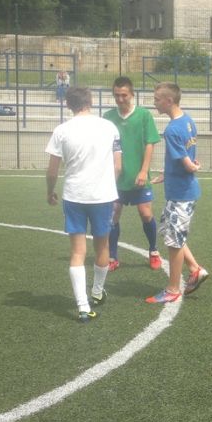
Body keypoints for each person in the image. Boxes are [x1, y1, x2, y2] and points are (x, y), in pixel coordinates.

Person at [45, 87, 122, 322]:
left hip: (74, 196)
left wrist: (50, 192)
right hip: (102, 197)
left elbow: (52, 171)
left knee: (78, 252)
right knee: (102, 247)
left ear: (67, 104)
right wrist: (109, 187)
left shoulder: (61, 130)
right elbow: (118, 166)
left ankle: (82, 306)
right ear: (91, 101)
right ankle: (97, 292)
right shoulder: (109, 127)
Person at [145, 82, 209, 303]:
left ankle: (173, 290)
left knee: (174, 242)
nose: (154, 103)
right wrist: (168, 173)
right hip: (181, 191)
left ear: (169, 101)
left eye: (157, 99)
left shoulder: (172, 130)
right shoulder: (188, 120)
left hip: (182, 193)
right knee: (169, 231)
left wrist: (194, 167)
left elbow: (188, 164)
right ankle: (195, 269)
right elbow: (187, 156)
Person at [103, 77, 162, 271]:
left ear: (132, 94)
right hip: (115, 178)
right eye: (116, 95)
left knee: (146, 214)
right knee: (113, 214)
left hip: (139, 177)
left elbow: (150, 143)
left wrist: (144, 170)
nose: (120, 99)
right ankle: (112, 256)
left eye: (124, 95)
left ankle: (153, 251)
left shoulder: (144, 115)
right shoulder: (108, 117)